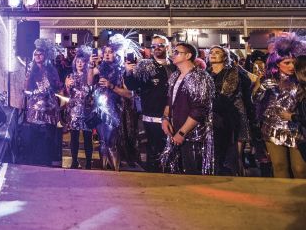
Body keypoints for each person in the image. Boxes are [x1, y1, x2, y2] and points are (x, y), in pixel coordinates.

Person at [253, 34, 306, 178]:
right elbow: (254, 100)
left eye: (293, 62)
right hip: (273, 127)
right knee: (279, 166)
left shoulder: (302, 77)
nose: (291, 66)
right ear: (277, 63)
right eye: (286, 62)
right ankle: (283, 199)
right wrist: (262, 88)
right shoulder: (267, 78)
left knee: (300, 168)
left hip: (297, 127)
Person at [124, 35, 176, 172]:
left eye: (160, 45)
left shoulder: (175, 65)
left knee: (171, 151)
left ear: (167, 47)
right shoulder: (145, 65)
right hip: (153, 116)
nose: (157, 48)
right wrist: (128, 72)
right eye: (153, 46)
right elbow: (132, 86)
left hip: (174, 116)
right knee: (154, 151)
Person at [161, 43, 215, 175]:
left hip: (193, 136)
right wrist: (165, 118)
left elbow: (199, 109)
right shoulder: (175, 76)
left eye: (177, 52)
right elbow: (170, 101)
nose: (173, 54)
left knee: (192, 173)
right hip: (175, 130)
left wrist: (182, 133)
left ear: (188, 55)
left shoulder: (200, 77)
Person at [88, 34, 137, 170]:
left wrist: (111, 86)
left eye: (111, 52)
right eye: (105, 52)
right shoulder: (101, 68)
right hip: (99, 110)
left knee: (111, 143)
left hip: (114, 111)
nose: (107, 55)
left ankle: (116, 171)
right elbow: (90, 81)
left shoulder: (122, 70)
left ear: (117, 53)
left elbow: (129, 94)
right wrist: (91, 65)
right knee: (102, 142)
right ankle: (104, 171)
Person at [207, 46, 252, 176]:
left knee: (235, 156)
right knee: (219, 154)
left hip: (234, 116)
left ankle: (240, 182)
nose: (213, 54)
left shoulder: (233, 72)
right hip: (214, 117)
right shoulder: (207, 72)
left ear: (225, 56)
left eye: (217, 52)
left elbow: (226, 93)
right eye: (211, 52)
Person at [24, 39, 62, 166]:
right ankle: (35, 161)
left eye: (40, 54)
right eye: (35, 54)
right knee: (34, 136)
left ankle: (47, 161)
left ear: (45, 56)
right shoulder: (31, 70)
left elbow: (57, 86)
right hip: (35, 109)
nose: (37, 56)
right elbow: (26, 89)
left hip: (49, 108)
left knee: (48, 136)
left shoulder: (52, 70)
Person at [63, 46, 94, 169]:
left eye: (82, 61)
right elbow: (66, 94)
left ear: (85, 63)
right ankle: (74, 161)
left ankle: (88, 163)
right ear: (74, 63)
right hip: (74, 111)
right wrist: (67, 86)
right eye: (77, 61)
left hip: (87, 111)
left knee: (87, 138)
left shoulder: (89, 75)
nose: (80, 63)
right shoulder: (70, 76)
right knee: (74, 137)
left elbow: (91, 88)